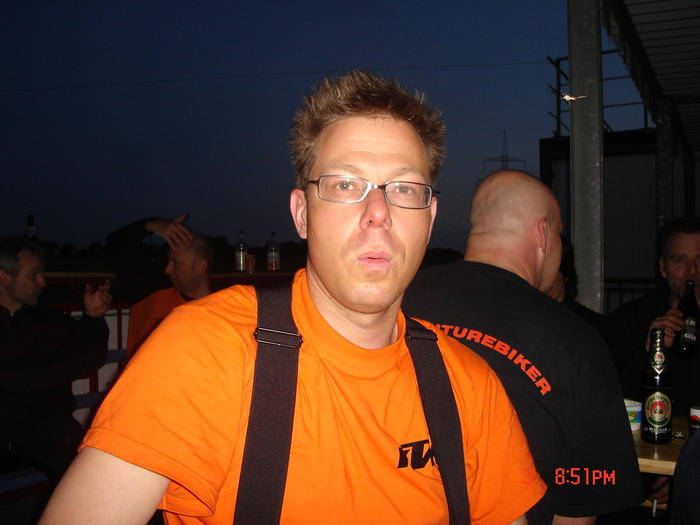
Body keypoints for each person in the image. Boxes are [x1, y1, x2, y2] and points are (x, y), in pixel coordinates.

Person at [39, 71, 545, 525]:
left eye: (404, 189)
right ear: (302, 214)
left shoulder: (470, 386)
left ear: (429, 219)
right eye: (345, 184)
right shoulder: (206, 352)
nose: (378, 212)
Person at [403, 170, 644, 524]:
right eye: (559, 233)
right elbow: (583, 498)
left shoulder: (398, 298)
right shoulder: (576, 342)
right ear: (543, 233)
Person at [0, 236, 111, 522]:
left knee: (89, 472)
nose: (42, 282)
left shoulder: (49, 319)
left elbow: (88, 359)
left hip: (47, 422)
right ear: (4, 277)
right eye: (33, 275)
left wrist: (93, 319)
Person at [607, 216, 700, 505]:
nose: (692, 272)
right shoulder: (631, 319)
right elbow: (608, 400)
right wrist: (648, 350)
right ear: (662, 268)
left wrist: (687, 473)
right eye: (679, 260)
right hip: (641, 468)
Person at [126, 227, 214, 358]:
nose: (167, 269)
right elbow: (118, 244)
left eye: (176, 263)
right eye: (168, 262)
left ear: (200, 266)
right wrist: (152, 226)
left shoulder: (219, 313)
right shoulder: (151, 296)